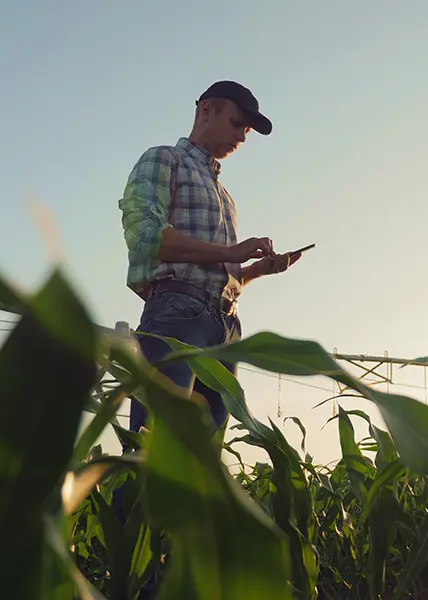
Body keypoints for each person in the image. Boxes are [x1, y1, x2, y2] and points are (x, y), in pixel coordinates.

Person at [118, 80, 302, 436]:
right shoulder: (164, 159)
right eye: (237, 124)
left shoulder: (225, 196)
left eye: (247, 130)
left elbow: (213, 273)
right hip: (177, 317)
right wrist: (229, 252)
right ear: (206, 110)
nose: (243, 138)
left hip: (225, 326)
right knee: (155, 447)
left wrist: (254, 271)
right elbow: (143, 235)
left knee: (203, 464)